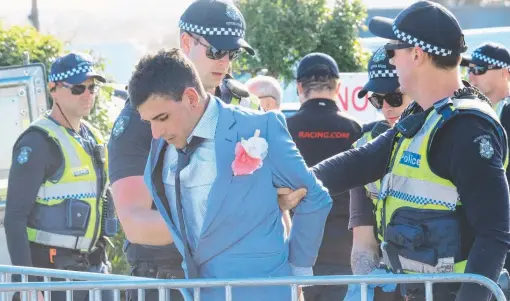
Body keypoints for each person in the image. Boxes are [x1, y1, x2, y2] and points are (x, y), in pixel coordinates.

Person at [279, 2, 510, 301]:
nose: (390, 61)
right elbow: (366, 159)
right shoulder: (425, 115)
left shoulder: (468, 129)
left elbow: (494, 233)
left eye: (392, 51)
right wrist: (300, 184)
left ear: (416, 54)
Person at [128, 48, 332, 301]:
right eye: (149, 122)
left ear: (191, 97)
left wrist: (297, 275)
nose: (156, 132)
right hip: (200, 293)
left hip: (264, 292)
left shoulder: (259, 128)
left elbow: (315, 198)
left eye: (162, 117)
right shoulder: (161, 145)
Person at [108, 1, 269, 300]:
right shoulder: (143, 116)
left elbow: (274, 196)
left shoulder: (244, 106)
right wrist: (223, 227)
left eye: (232, 53)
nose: (225, 62)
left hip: (237, 279)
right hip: (164, 282)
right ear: (185, 42)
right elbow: (135, 223)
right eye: (216, 51)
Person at [5, 52, 115, 301]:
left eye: (92, 87)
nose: (88, 94)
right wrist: (29, 286)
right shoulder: (37, 142)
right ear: (53, 89)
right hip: (53, 276)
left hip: (95, 271)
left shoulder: (93, 137)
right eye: (78, 88)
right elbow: (14, 218)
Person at [285, 52, 362, 301]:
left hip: (297, 246)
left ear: (299, 87)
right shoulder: (355, 129)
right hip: (346, 248)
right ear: (337, 87)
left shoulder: (284, 129)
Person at [348, 46, 412, 301]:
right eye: (377, 100)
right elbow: (363, 242)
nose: (386, 108)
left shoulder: (449, 133)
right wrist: (363, 287)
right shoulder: (363, 146)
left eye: (395, 98)